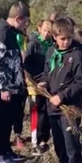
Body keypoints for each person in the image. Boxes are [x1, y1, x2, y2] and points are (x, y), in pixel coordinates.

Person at [39, 17, 82, 163]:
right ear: (54, 37)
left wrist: (62, 96)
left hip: (70, 109)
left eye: (68, 38)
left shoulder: (76, 55)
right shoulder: (51, 52)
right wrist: (44, 82)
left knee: (71, 147)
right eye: (62, 39)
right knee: (60, 147)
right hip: (53, 109)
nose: (66, 42)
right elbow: (47, 71)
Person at [0, 2, 30, 163]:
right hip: (5, 89)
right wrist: (3, 87)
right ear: (18, 18)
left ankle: (7, 151)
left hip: (14, 87)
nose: (26, 25)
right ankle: (1, 154)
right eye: (25, 21)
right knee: (3, 122)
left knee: (10, 120)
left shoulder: (11, 32)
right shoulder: (2, 34)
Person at [24, 19, 54, 155]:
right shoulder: (33, 44)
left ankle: (44, 140)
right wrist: (38, 79)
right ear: (39, 29)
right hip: (34, 85)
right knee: (37, 113)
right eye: (45, 31)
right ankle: (36, 142)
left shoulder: (52, 45)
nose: (47, 34)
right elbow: (28, 66)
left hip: (47, 84)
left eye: (50, 31)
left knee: (47, 112)